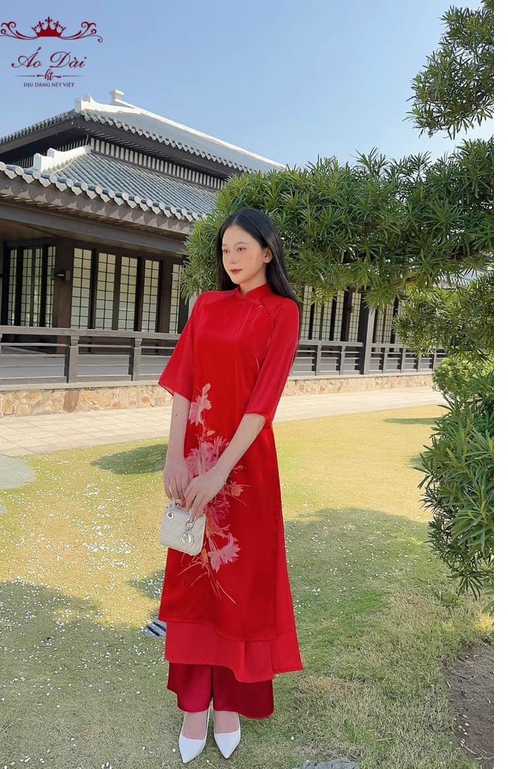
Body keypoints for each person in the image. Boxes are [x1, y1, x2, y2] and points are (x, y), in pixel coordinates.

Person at [158, 207, 304, 763]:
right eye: (225, 249)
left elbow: (263, 403)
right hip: (195, 463)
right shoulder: (206, 305)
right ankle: (195, 707)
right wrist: (176, 456)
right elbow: (183, 383)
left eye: (242, 247)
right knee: (195, 584)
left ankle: (231, 707)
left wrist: (221, 471)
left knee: (241, 588)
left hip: (245, 471)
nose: (232, 258)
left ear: (267, 252)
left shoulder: (283, 312)